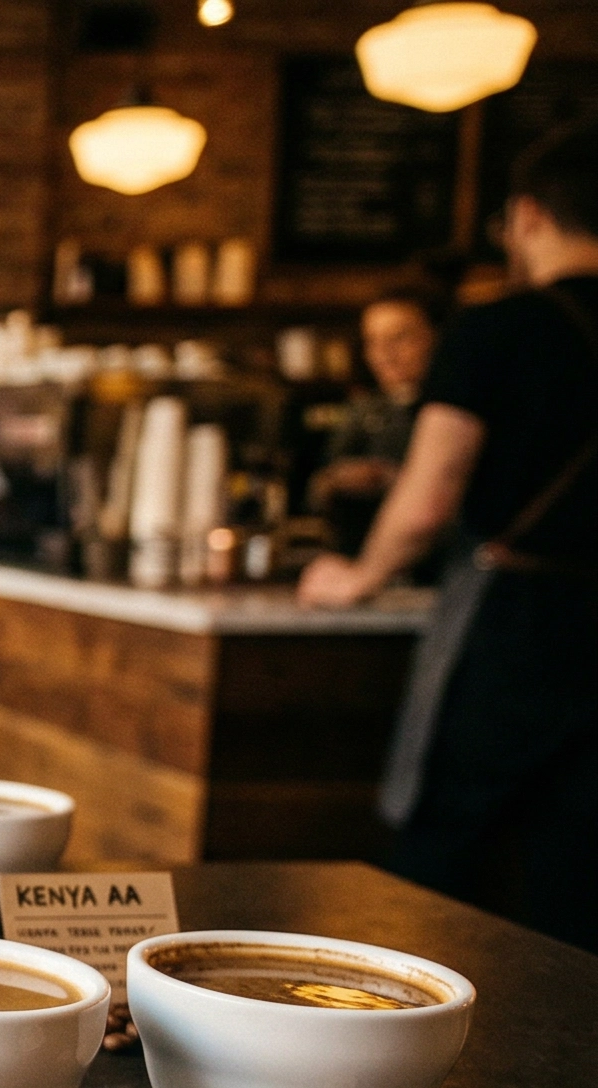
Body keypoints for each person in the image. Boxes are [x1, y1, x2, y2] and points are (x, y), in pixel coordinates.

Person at [300, 116, 598, 950]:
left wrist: (356, 578)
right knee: (576, 884)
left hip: (518, 623)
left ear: (530, 217)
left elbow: (429, 497)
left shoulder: (497, 330)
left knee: (440, 861)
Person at [309, 288, 444, 553]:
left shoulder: (456, 411)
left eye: (400, 338)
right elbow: (315, 491)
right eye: (373, 341)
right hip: (364, 557)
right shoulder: (363, 409)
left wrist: (393, 479)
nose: (385, 353)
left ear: (437, 337)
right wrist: (334, 480)